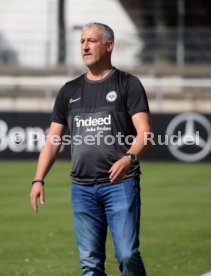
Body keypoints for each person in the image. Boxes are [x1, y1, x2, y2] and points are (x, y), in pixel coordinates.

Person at [30, 22, 151, 276]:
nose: (84, 46)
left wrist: (129, 158)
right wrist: (38, 179)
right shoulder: (69, 91)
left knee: (127, 256)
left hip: (121, 184)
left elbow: (145, 133)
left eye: (91, 41)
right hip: (82, 189)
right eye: (82, 41)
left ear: (109, 46)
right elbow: (53, 140)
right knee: (90, 265)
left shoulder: (128, 84)